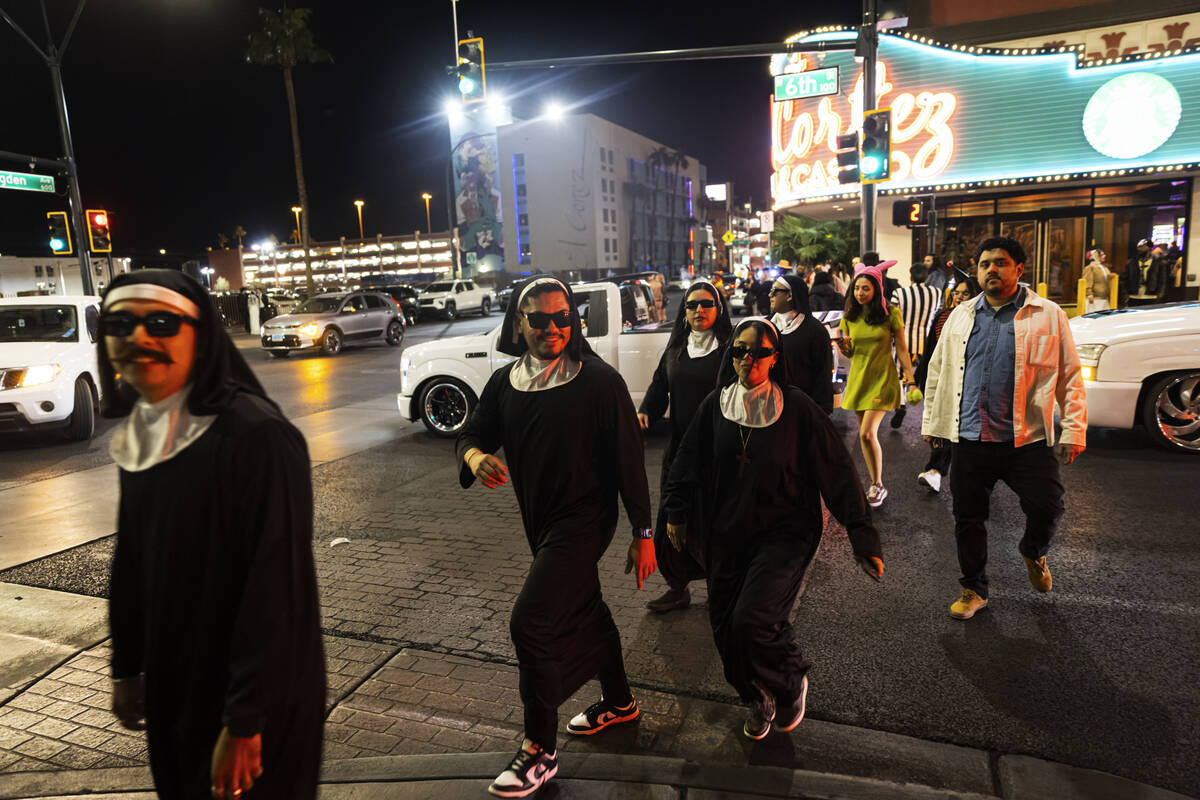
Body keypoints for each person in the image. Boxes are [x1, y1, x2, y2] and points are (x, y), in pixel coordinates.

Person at [102, 270, 325, 800]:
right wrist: (127, 664)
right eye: (120, 324)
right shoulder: (143, 428)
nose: (139, 339)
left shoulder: (255, 436)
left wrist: (247, 721)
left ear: (199, 335)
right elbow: (132, 561)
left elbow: (276, 590)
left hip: (253, 696)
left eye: (161, 323)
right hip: (174, 677)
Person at [456, 277, 657, 798]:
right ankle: (619, 702)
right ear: (518, 323)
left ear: (575, 319)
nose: (552, 327)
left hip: (586, 522)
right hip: (541, 523)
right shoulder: (505, 383)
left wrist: (644, 532)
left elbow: (630, 465)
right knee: (587, 609)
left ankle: (540, 751)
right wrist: (476, 457)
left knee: (531, 622)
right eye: (539, 319)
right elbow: (472, 434)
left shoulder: (599, 382)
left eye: (562, 317)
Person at [663, 318, 883, 741]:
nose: (750, 359)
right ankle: (756, 696)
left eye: (760, 352)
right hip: (727, 533)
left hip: (785, 533)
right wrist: (675, 511)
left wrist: (862, 534)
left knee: (753, 620)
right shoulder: (716, 404)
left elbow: (837, 472)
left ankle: (788, 681)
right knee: (725, 629)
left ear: (774, 357)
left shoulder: (797, 408)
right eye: (742, 351)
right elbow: (686, 460)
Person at [921, 236, 1087, 621]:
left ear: (1019, 269)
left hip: (1025, 438)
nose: (991, 269)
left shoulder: (1047, 314)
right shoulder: (960, 315)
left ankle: (1032, 550)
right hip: (969, 437)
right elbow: (938, 372)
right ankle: (973, 589)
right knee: (968, 518)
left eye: (1000, 262)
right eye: (983, 264)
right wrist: (933, 423)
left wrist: (1074, 429)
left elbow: (1069, 375)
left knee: (1048, 506)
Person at [638, 281, 733, 613]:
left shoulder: (728, 348)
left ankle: (718, 589)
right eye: (692, 305)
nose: (698, 311)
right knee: (671, 518)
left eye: (707, 304)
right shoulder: (677, 347)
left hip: (715, 452)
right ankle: (677, 587)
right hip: (679, 447)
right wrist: (646, 409)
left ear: (718, 309)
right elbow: (660, 383)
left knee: (712, 522)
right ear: (684, 312)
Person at [837, 265, 917, 507]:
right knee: (866, 437)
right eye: (857, 288)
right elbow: (849, 354)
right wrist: (843, 347)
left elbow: (902, 349)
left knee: (867, 433)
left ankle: (878, 484)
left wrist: (911, 380)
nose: (861, 292)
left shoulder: (891, 313)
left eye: (866, 288)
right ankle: (875, 482)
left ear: (877, 289)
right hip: (859, 379)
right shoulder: (849, 315)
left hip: (883, 379)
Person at [913, 277, 981, 492]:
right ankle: (936, 471)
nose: (959, 297)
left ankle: (938, 471)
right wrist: (920, 379)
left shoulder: (981, 319)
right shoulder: (943, 316)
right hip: (942, 378)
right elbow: (931, 350)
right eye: (956, 293)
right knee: (944, 427)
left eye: (965, 294)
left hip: (967, 382)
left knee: (958, 428)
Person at [889, 263, 942, 429]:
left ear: (910, 277)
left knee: (898, 373)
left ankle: (901, 404)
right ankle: (929, 410)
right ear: (927, 277)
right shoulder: (936, 292)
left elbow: (892, 316)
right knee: (923, 375)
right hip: (925, 341)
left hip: (903, 339)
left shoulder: (899, 293)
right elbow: (937, 314)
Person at [769, 274, 833, 413]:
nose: (770, 295)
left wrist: (820, 409)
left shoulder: (815, 330)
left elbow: (823, 373)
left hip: (801, 407)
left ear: (789, 295)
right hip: (769, 405)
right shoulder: (765, 326)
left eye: (775, 291)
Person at [1124, 238, 1167, 306]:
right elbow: (1125, 279)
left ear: (1149, 248)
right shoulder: (1131, 262)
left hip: (1151, 296)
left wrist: (1160, 293)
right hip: (1133, 296)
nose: (1139, 249)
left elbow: (1162, 280)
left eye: (1142, 246)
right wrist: (1125, 293)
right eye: (1139, 246)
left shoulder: (1158, 263)